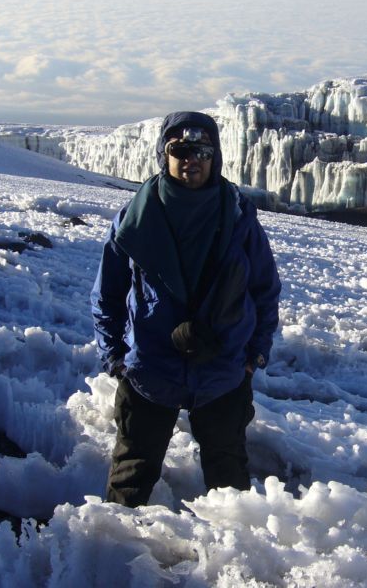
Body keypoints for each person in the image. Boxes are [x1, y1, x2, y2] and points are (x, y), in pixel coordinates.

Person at [91, 111, 281, 507]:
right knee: (132, 474)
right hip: (149, 368)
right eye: (180, 150)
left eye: (202, 151)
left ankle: (233, 559)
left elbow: (264, 289)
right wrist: (114, 356)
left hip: (223, 369)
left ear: (215, 158)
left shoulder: (239, 219)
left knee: (229, 479)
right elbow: (107, 293)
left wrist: (254, 354)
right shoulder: (134, 220)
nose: (191, 159)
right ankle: (111, 554)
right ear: (165, 155)